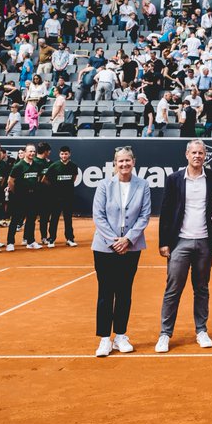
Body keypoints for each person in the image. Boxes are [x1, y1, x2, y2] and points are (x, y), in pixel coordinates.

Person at [155, 139, 212, 353]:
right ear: (187, 155)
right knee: (173, 289)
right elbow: (166, 210)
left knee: (201, 289)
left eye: (201, 153)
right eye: (194, 153)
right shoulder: (174, 179)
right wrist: (164, 242)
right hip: (179, 242)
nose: (197, 156)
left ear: (205, 155)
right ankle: (165, 334)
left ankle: (201, 330)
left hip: (205, 242)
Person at [92, 146, 152, 356]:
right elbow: (98, 216)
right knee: (105, 292)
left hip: (131, 247)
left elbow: (144, 215)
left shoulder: (143, 185)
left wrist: (127, 239)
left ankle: (120, 336)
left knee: (124, 292)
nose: (124, 164)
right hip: (104, 248)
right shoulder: (104, 185)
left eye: (128, 160)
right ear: (115, 163)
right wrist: (114, 241)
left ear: (133, 162)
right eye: (120, 161)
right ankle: (104, 339)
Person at [42, 146, 81, 247]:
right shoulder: (54, 166)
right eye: (62, 154)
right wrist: (54, 187)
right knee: (54, 218)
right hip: (56, 197)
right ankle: (51, 239)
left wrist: (66, 187)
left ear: (69, 154)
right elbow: (44, 179)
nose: (64, 156)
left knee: (68, 218)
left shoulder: (73, 166)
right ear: (59, 154)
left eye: (66, 154)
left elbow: (74, 178)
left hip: (68, 196)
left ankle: (70, 238)